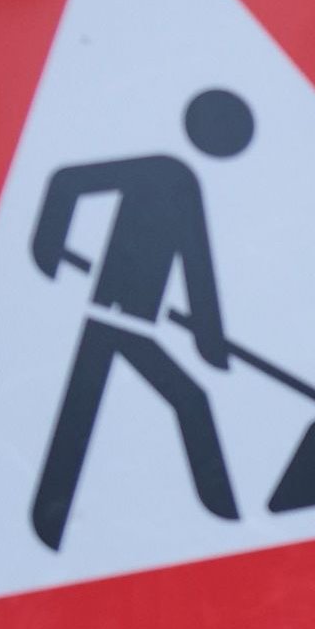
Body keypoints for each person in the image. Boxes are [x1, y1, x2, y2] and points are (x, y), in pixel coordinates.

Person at [24, 87, 256, 548]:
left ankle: (45, 529)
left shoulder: (179, 180)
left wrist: (209, 339)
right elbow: (68, 182)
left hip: (129, 324)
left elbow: (195, 266)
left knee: (86, 413)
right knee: (185, 401)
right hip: (112, 318)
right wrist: (46, 245)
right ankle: (232, 524)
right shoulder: (164, 172)